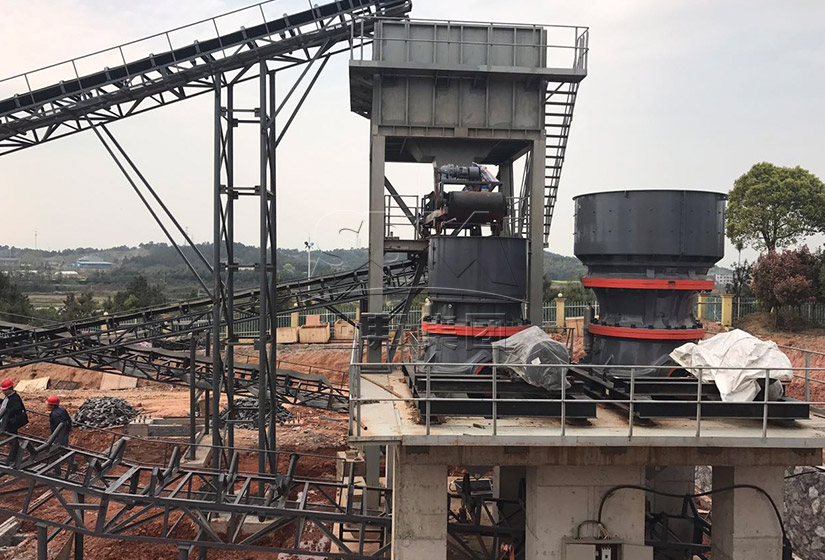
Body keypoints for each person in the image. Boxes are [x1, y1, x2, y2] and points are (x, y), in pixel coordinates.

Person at [1, 378, 28, 464]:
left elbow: (16, 409)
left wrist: (6, 413)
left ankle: (13, 458)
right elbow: (5, 404)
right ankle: (14, 457)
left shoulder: (15, 398)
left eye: (5, 390)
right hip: (7, 422)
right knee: (12, 440)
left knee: (12, 440)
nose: (3, 392)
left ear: (10, 389)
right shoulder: (8, 397)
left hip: (11, 422)